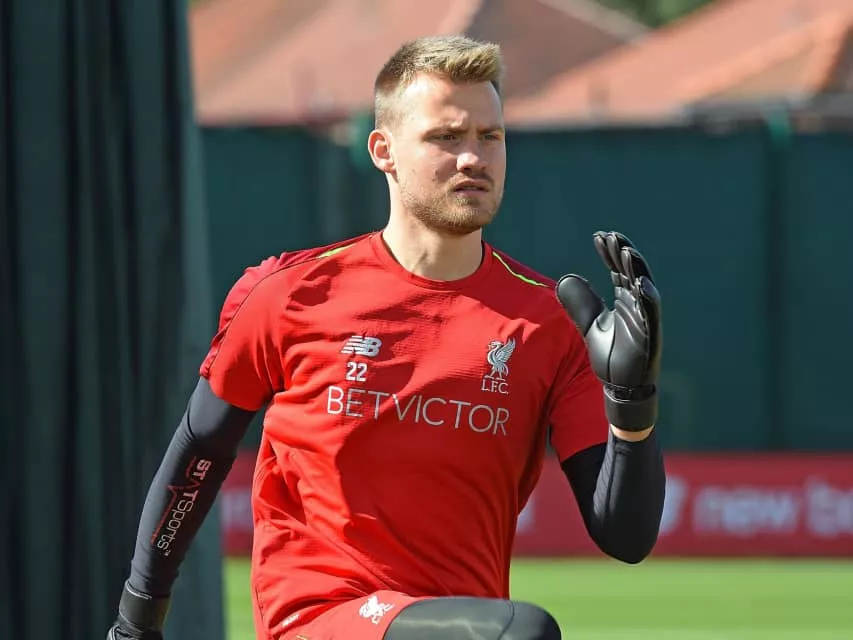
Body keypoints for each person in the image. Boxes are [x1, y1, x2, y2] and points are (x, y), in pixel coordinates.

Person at [107, 35, 666, 640]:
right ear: (384, 150)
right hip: (315, 619)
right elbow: (199, 453)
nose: (473, 157)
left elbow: (626, 537)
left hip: (459, 627)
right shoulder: (288, 293)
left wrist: (631, 404)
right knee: (522, 634)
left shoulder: (550, 323)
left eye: (490, 136)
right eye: (446, 137)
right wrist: (136, 621)